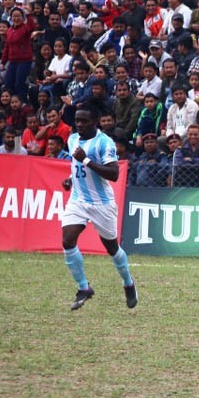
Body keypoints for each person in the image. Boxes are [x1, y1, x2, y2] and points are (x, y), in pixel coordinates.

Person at [61, 107, 138, 311]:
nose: (79, 124)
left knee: (112, 248)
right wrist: (70, 179)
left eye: (84, 121)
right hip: (78, 200)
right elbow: (77, 167)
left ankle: (128, 283)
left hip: (101, 203)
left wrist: (86, 159)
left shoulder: (105, 143)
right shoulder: (72, 139)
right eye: (77, 120)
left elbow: (113, 174)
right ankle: (84, 288)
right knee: (67, 240)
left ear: (95, 121)